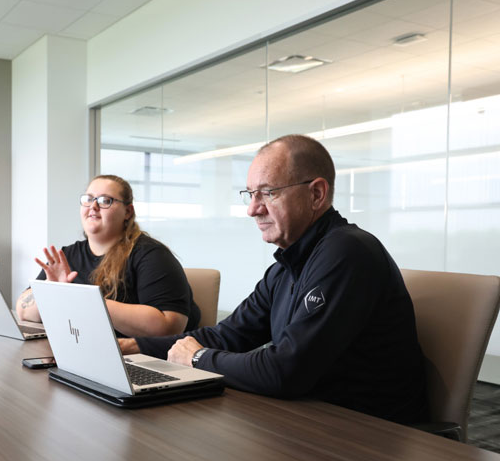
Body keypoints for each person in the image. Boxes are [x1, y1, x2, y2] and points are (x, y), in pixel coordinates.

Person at [120, 135, 428, 424]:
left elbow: (286, 370)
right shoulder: (287, 265)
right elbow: (228, 335)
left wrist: (198, 358)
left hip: (372, 432)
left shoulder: (347, 252)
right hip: (311, 417)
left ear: (316, 194)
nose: (253, 209)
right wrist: (134, 346)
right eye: (250, 194)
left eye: (268, 192)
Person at [16, 174, 200, 337]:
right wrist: (52, 291)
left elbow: (168, 326)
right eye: (88, 199)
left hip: (137, 357)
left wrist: (82, 300)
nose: (93, 206)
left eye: (105, 200)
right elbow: (23, 310)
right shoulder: (67, 255)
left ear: (128, 212)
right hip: (82, 347)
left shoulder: (152, 255)